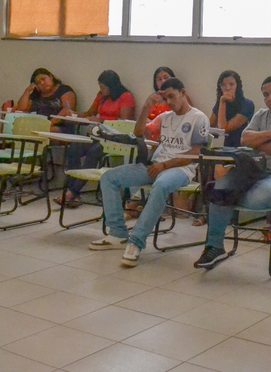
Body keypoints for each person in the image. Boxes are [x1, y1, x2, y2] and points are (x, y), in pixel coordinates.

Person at [89, 77, 208, 267]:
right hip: (155, 166)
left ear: (183, 93)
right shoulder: (165, 117)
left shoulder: (198, 117)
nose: (169, 102)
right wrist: (146, 107)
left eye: (172, 96)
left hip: (180, 170)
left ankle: (136, 241)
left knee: (161, 184)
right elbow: (138, 133)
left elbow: (196, 153)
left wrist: (165, 165)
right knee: (109, 177)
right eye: (165, 98)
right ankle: (118, 234)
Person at [193, 75, 271, 270]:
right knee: (219, 190)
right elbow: (245, 140)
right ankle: (214, 247)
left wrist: (260, 144)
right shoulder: (261, 114)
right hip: (250, 173)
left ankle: (226, 200)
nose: (270, 98)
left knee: (249, 196)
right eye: (265, 95)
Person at [56, 70, 136, 207]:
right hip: (98, 134)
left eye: (103, 87)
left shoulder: (126, 97)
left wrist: (101, 120)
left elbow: (125, 122)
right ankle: (73, 191)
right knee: (74, 148)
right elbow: (89, 113)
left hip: (115, 139)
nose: (101, 90)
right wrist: (74, 115)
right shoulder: (102, 96)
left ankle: (72, 192)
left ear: (112, 86)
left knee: (94, 151)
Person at [4, 68, 76, 126]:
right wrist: (28, 91)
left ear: (50, 77)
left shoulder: (64, 90)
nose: (42, 83)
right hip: (37, 125)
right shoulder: (37, 94)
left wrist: (47, 124)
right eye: (38, 83)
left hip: (59, 126)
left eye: (43, 79)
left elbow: (67, 110)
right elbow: (21, 109)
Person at [210, 70, 255, 148]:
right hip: (227, 147)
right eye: (223, 85)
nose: (227, 88)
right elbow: (208, 127)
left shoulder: (247, 104)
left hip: (243, 149)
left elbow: (223, 129)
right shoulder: (220, 104)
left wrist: (223, 101)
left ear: (237, 86)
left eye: (231, 84)